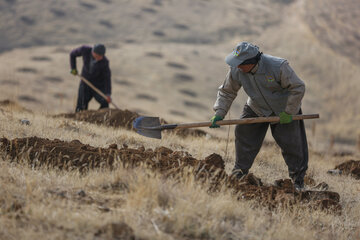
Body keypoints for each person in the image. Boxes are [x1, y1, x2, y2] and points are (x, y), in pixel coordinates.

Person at [210, 42, 308, 190]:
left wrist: (289, 112)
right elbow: (227, 92)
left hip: (284, 110)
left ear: (251, 62)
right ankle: (239, 173)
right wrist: (219, 113)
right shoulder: (236, 69)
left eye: (239, 64)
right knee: (243, 133)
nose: (236, 67)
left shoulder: (278, 66)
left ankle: (298, 181)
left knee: (293, 145)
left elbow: (298, 87)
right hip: (256, 107)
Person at [70, 44, 112, 112]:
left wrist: (108, 94)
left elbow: (107, 78)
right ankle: (80, 119)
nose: (99, 58)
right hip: (85, 83)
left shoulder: (105, 62)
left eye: (101, 56)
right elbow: (72, 54)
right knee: (81, 106)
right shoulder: (85, 50)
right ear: (93, 52)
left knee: (104, 102)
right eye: (98, 56)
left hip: (98, 86)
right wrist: (73, 68)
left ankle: (99, 118)